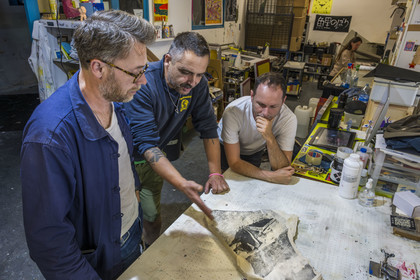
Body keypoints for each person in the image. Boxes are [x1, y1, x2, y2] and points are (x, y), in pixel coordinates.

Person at [20, 10, 155, 279]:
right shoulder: (50, 137)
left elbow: (120, 159)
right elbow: (50, 243)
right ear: (98, 68)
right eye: (136, 72)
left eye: (145, 70)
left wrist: (135, 199)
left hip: (128, 234)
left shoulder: (116, 101)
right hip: (93, 263)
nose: (144, 81)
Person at [124, 32, 229, 246]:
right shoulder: (144, 83)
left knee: (153, 219)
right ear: (168, 60)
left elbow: (209, 128)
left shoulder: (197, 85)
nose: (192, 82)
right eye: (185, 72)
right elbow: (146, 143)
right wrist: (181, 183)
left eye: (200, 74)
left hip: (154, 162)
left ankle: (148, 257)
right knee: (126, 227)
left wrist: (216, 172)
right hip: (123, 162)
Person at [218, 72, 297, 184]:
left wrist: (269, 137)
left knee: (249, 183)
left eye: (273, 106)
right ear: (251, 96)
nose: (265, 113)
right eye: (261, 104)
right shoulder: (233, 112)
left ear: (283, 101)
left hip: (254, 149)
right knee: (225, 181)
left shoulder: (288, 119)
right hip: (224, 146)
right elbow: (234, 162)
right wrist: (271, 176)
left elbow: (281, 169)